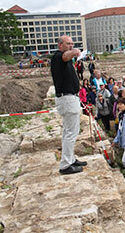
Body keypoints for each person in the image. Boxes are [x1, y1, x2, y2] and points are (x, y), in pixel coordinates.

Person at [51, 35, 87, 175]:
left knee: (69, 132)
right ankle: (65, 165)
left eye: (72, 43)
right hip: (67, 99)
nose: (71, 45)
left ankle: (70, 159)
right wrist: (75, 51)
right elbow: (65, 56)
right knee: (70, 133)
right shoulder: (58, 57)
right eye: (68, 43)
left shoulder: (64, 59)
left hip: (70, 98)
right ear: (60, 45)